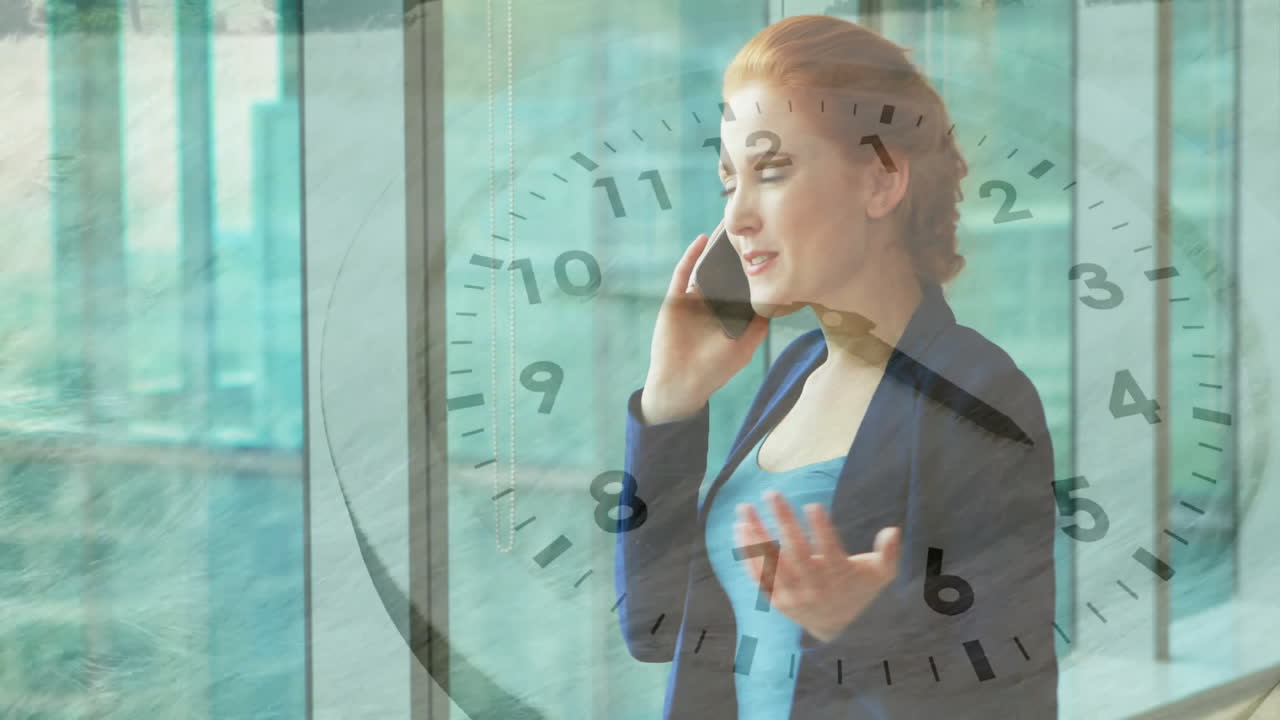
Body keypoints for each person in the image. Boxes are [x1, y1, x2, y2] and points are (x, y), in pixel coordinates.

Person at [613, 14, 1058, 720]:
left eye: (772, 171)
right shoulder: (792, 374)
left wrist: (860, 626)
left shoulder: (981, 392)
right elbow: (652, 626)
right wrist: (670, 407)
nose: (737, 218)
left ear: (881, 181)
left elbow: (1014, 701)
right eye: (730, 182)